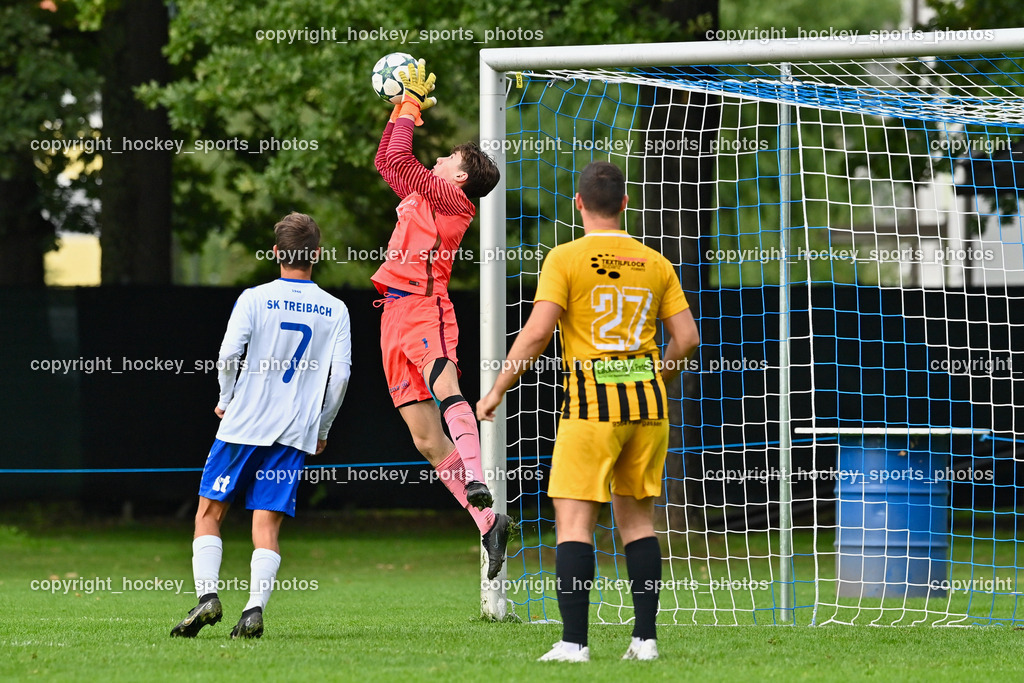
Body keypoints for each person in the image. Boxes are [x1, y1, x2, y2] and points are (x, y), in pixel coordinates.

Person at [477, 161, 700, 662]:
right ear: (625, 204)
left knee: (575, 524)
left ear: (577, 203)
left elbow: (537, 333)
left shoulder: (565, 258)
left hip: (592, 405)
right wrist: (657, 376)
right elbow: (686, 338)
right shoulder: (655, 261)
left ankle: (574, 642)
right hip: (648, 407)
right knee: (638, 523)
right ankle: (644, 641)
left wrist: (496, 390)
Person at [170, 212, 352, 639]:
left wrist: (225, 399)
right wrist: (322, 428)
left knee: (209, 513)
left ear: (276, 252)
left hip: (243, 424)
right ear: (316, 255)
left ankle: (207, 597)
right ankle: (253, 609)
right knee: (266, 524)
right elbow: (341, 376)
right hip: (294, 432)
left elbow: (228, 355)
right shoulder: (336, 309)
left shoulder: (255, 298)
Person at [371, 59, 510, 579]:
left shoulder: (452, 198)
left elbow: (402, 159)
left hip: (425, 307)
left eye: (449, 157)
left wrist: (409, 105)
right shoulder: (425, 191)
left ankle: (477, 477)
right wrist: (398, 111)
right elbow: (388, 161)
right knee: (427, 441)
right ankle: (488, 521)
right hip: (393, 313)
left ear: (460, 177)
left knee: (446, 387)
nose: (440, 158)